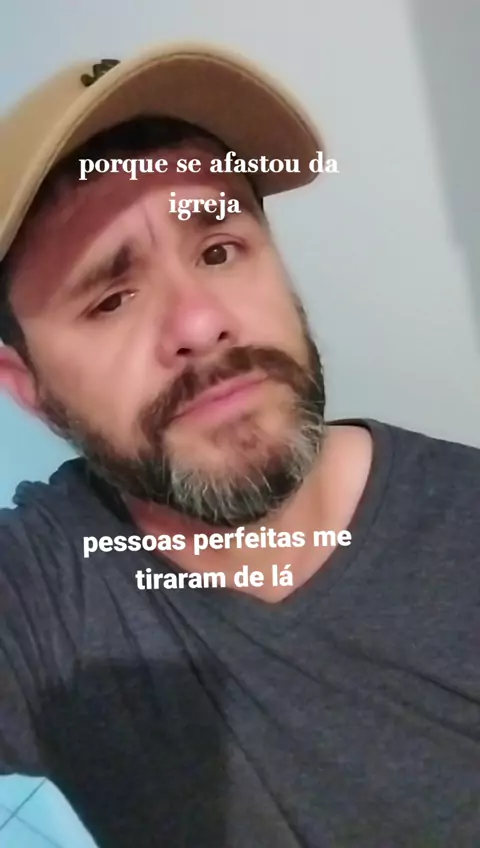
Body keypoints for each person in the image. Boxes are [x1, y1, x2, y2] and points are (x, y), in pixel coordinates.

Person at [0, 41, 478, 848]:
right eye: (111, 298)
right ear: (29, 389)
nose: (200, 321)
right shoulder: (46, 594)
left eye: (219, 251)